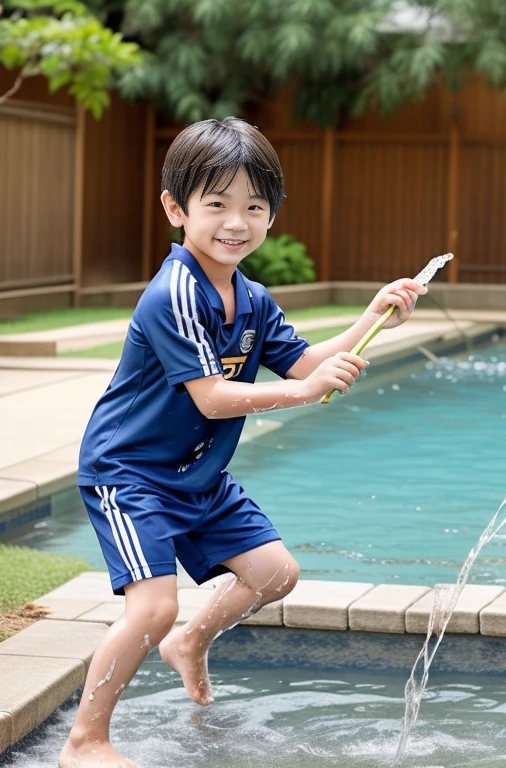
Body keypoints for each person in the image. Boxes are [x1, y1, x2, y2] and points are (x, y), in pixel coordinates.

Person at [60, 117, 426, 767]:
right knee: (153, 607)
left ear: (271, 215)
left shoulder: (251, 298)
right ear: (176, 209)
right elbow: (212, 397)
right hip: (131, 472)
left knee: (273, 572)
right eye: (218, 205)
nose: (237, 222)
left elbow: (305, 362)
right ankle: (84, 741)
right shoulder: (175, 294)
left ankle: (190, 643)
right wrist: (304, 396)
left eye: (254, 207)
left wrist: (372, 316)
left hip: (196, 474)